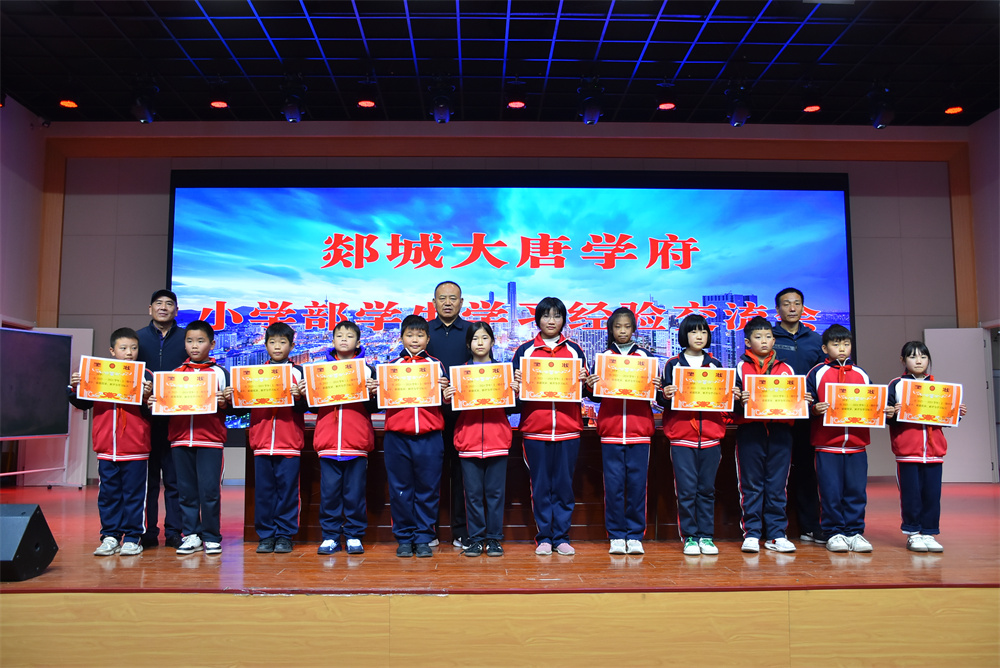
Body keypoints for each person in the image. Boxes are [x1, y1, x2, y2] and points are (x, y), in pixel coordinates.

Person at [512, 297, 589, 556]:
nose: (551, 320)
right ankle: (544, 537)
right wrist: (516, 383)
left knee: (564, 486)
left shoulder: (575, 351)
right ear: (538, 320)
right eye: (546, 315)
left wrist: (585, 380)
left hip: (568, 429)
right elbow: (514, 396)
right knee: (541, 486)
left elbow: (586, 391)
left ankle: (562, 537)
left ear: (564, 320)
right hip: (535, 430)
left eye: (557, 315)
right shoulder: (525, 351)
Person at [68, 328, 154, 557]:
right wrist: (75, 386)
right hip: (107, 448)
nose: (129, 353)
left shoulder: (146, 376)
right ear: (112, 350)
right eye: (123, 348)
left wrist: (147, 397)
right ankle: (110, 536)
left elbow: (155, 412)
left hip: (136, 448)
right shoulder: (97, 373)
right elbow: (82, 403)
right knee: (108, 495)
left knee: (135, 496)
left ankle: (133, 537)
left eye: (133, 348)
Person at [805, 324, 891, 553]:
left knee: (856, 491)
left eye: (846, 344)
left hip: (856, 445)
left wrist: (882, 409)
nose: (842, 348)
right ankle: (833, 533)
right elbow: (805, 404)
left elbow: (872, 403)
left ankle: (854, 532)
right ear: (825, 348)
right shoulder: (816, 373)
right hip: (827, 445)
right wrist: (814, 409)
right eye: (836, 344)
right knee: (830, 492)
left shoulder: (861, 374)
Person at [151, 320, 231, 556]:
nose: (195, 346)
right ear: (184, 344)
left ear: (212, 344)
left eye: (200, 341)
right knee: (185, 491)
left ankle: (212, 536)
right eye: (190, 341)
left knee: (209, 491)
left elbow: (234, 408)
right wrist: (156, 402)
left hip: (210, 440)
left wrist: (225, 402)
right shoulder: (175, 374)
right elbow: (166, 406)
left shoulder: (220, 373)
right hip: (180, 439)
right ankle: (191, 534)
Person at [586, 307, 659, 556]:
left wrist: (657, 386)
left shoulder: (646, 357)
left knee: (638, 486)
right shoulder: (604, 358)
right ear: (611, 329)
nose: (623, 331)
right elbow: (595, 396)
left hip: (640, 431)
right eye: (618, 327)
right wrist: (591, 386)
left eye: (627, 326)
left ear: (634, 329)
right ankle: (616, 535)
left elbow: (656, 395)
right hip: (611, 430)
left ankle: (635, 535)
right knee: (614, 486)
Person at [444, 322, 517, 558]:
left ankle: (494, 539)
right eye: (475, 339)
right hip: (468, 440)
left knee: (495, 493)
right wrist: (447, 396)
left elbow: (513, 407)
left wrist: (515, 391)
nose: (480, 343)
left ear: (493, 342)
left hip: (497, 439)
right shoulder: (459, 373)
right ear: (468, 344)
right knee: (473, 494)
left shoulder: (503, 372)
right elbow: (452, 407)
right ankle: (475, 539)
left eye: (485, 338)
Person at [886, 341, 967, 553]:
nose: (919, 361)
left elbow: (944, 420)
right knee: (911, 495)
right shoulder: (896, 385)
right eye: (912, 357)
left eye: (923, 356)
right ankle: (913, 533)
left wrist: (956, 413)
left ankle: (929, 533)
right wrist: (893, 412)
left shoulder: (938, 387)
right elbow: (886, 417)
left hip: (934, 451)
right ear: (903, 360)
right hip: (907, 452)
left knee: (932, 495)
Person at [661, 314, 729, 556]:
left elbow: (723, 401)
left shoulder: (716, 365)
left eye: (703, 331)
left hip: (711, 437)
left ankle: (706, 536)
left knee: (707, 490)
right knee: (687, 490)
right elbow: (662, 399)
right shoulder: (673, 364)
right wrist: (666, 394)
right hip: (682, 437)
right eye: (693, 331)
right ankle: (690, 536)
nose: (699, 336)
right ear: (684, 335)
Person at [383, 314, 449, 558]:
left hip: (430, 437)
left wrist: (446, 391)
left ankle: (423, 536)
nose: (414, 339)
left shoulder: (436, 365)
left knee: (428, 489)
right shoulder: (391, 367)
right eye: (409, 335)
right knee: (400, 490)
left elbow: (445, 399)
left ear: (428, 339)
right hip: (397, 437)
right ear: (401, 338)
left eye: (420, 335)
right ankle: (404, 537)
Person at [312, 320, 378, 556]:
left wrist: (374, 392)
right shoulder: (319, 370)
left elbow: (375, 407)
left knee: (354, 494)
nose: (343, 339)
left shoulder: (368, 371)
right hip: (328, 442)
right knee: (329, 494)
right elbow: (312, 406)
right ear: (332, 341)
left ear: (358, 342)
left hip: (356, 442)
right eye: (339, 336)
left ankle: (354, 535)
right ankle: (330, 536)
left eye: (349, 336)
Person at [734, 316, 800, 554]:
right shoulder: (739, 368)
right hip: (750, 432)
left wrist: (803, 399)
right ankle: (751, 533)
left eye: (768, 336)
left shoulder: (787, 369)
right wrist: (737, 400)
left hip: (781, 432)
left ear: (774, 340)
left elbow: (795, 402)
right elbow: (730, 407)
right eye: (758, 337)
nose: (764, 341)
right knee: (751, 484)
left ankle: (776, 534)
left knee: (777, 485)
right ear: (747, 341)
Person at [771, 287, 825, 544]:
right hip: (777, 416)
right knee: (775, 473)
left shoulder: (815, 339)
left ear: (803, 307)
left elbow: (824, 376)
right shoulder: (769, 337)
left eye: (797, 303)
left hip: (807, 417)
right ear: (778, 309)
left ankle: (809, 526)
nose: (792, 308)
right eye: (786, 304)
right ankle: (774, 529)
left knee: (806, 471)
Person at [248, 322, 306, 555]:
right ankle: (265, 535)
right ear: (265, 345)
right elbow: (242, 406)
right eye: (272, 342)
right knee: (263, 492)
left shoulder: (299, 373)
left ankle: (284, 535)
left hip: (289, 441)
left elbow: (307, 407)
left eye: (283, 342)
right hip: (261, 442)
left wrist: (300, 397)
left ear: (292, 346)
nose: (277, 347)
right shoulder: (253, 374)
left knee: (288, 491)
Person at [136, 289, 187, 548]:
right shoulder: (137, 339)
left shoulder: (186, 339)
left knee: (175, 480)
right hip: (144, 421)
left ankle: (174, 531)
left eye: (169, 304)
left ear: (176, 310)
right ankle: (147, 532)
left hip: (176, 421)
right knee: (149, 481)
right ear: (150, 308)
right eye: (158, 303)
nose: (163, 307)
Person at [425, 280, 470, 548]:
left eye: (453, 298)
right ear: (434, 302)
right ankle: (427, 530)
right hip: (430, 415)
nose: (448, 303)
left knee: (461, 473)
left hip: (463, 415)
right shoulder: (424, 331)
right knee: (430, 473)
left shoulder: (471, 331)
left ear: (461, 302)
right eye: (442, 298)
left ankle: (461, 531)